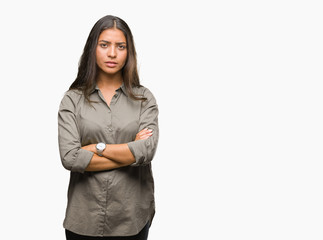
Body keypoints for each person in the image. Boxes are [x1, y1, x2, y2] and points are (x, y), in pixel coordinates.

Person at [58, 15, 159, 240]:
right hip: (84, 218)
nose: (112, 53)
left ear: (128, 52)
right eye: (104, 45)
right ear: (93, 48)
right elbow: (70, 158)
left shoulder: (144, 99)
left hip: (132, 217)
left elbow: (147, 151)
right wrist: (129, 149)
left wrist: (96, 148)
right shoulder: (72, 100)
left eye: (120, 46)